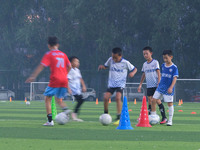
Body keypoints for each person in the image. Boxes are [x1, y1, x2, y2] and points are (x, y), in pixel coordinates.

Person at [26, 36, 72, 126]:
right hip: (64, 79)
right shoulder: (63, 54)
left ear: (48, 45)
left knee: (47, 99)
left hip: (55, 79)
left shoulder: (49, 54)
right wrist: (64, 74)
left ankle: (50, 121)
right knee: (59, 99)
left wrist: (33, 76)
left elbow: (41, 66)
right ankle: (66, 109)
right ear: (57, 44)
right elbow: (69, 66)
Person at [98, 47, 137, 125]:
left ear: (120, 56)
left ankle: (119, 117)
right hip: (111, 84)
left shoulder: (125, 62)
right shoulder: (110, 60)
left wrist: (132, 73)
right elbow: (106, 66)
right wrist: (102, 67)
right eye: (112, 57)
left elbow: (135, 69)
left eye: (115, 57)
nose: (113, 59)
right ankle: (106, 114)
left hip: (120, 84)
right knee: (105, 97)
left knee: (117, 98)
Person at [138, 46, 167, 124]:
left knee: (157, 100)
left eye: (147, 53)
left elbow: (158, 73)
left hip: (156, 85)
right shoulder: (144, 64)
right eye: (144, 54)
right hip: (149, 86)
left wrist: (159, 82)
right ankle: (150, 117)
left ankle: (164, 117)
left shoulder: (155, 62)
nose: (145, 55)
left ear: (151, 53)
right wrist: (140, 84)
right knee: (150, 101)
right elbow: (143, 74)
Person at [152, 50, 179, 126]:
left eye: (166, 58)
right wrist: (159, 83)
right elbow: (161, 75)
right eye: (164, 58)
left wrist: (171, 87)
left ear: (171, 57)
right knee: (154, 99)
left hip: (168, 89)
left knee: (169, 104)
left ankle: (170, 121)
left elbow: (175, 78)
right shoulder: (163, 65)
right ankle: (153, 116)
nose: (165, 60)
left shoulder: (174, 67)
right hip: (160, 87)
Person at [68, 56, 87, 122]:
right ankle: (73, 115)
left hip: (77, 90)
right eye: (76, 61)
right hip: (72, 90)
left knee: (81, 100)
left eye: (78, 62)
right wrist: (68, 89)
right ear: (71, 63)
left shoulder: (77, 70)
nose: (78, 63)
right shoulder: (70, 70)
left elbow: (80, 79)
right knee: (81, 100)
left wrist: (83, 86)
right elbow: (67, 80)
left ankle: (70, 114)